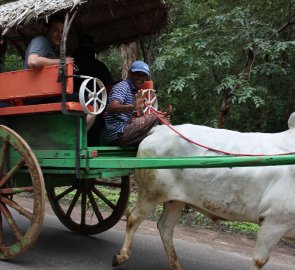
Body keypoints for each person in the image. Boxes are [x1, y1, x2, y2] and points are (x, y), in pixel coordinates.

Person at [24, 16, 95, 130]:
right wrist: (62, 61)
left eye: (62, 32)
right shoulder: (41, 40)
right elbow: (33, 60)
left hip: (44, 94)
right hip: (38, 96)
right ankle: (77, 141)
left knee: (84, 99)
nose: (59, 35)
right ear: (46, 30)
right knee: (91, 104)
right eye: (55, 30)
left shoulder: (51, 48)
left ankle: (74, 136)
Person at [104, 60, 168, 146]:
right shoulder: (123, 86)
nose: (140, 78)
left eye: (144, 76)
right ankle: (176, 135)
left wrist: (142, 113)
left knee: (159, 120)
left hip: (126, 130)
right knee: (158, 115)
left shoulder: (135, 91)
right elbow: (111, 107)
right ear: (130, 73)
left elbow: (134, 118)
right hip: (118, 132)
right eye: (137, 74)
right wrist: (132, 107)